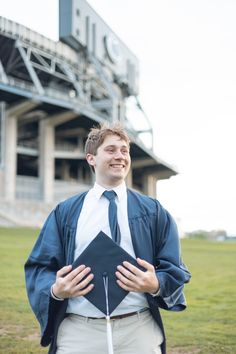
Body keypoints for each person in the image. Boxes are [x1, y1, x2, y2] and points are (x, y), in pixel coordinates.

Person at [25, 123, 191, 354]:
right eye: (111, 150)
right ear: (91, 158)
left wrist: (156, 284)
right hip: (79, 331)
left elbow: (174, 267)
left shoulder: (153, 211)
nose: (120, 156)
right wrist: (56, 290)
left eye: (124, 150)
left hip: (138, 328)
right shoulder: (66, 212)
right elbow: (40, 266)